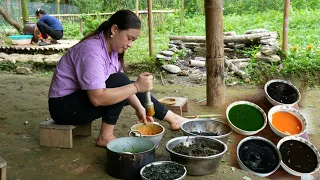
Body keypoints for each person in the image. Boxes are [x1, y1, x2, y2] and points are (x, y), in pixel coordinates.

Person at [48, 9, 186, 147]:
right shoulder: (92, 51)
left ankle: (173, 118)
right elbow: (97, 98)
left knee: (127, 84)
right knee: (125, 82)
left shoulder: (112, 49)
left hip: (77, 100)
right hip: (64, 108)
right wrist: (137, 86)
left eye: (134, 40)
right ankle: (105, 136)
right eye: (129, 38)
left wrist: (139, 108)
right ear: (114, 29)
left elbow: (124, 86)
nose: (130, 44)